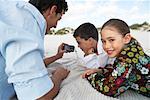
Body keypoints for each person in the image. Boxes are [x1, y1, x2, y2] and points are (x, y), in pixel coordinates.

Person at [0, 0, 70, 100]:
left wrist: (57, 56)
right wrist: (58, 76)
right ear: (53, 10)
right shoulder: (26, 21)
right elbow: (39, 98)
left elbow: (30, 65)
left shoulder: (12, 12)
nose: (55, 26)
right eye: (58, 19)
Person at [82, 19, 150, 97]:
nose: (106, 46)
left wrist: (91, 76)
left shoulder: (127, 59)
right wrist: (101, 71)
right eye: (103, 41)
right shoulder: (131, 48)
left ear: (126, 38)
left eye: (111, 40)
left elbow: (110, 89)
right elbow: (120, 71)